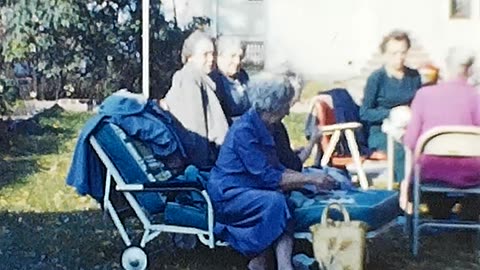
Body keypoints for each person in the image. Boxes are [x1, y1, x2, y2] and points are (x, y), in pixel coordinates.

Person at [207, 74, 337, 270]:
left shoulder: (273, 126)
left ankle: (271, 263)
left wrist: (310, 181)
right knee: (276, 201)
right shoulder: (245, 130)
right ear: (275, 105)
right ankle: (275, 263)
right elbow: (269, 176)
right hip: (230, 193)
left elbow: (286, 167)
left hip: (255, 188)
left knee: (284, 198)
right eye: (287, 103)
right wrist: (310, 179)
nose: (289, 110)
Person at [400, 47, 480, 217]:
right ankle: (469, 222)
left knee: (430, 168)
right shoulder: (476, 97)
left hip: (431, 171)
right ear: (470, 69)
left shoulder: (424, 95)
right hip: (472, 173)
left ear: (446, 68)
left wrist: (406, 182)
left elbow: (411, 142)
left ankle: (439, 216)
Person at [359, 30, 422, 182]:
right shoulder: (377, 78)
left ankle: (434, 193)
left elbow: (420, 106)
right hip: (381, 131)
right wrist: (390, 113)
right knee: (401, 153)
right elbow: (364, 113)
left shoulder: (414, 77)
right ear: (385, 54)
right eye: (394, 53)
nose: (399, 58)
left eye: (403, 53)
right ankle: (407, 194)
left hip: (408, 128)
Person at [163, 30, 229, 170]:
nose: (211, 59)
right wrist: (203, 169)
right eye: (205, 54)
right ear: (190, 57)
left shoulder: (205, 79)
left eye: (213, 54)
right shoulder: (189, 78)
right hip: (204, 166)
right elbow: (195, 128)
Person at [209, 36, 250, 124]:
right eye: (233, 56)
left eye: (240, 57)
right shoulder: (214, 81)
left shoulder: (243, 76)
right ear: (219, 57)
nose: (237, 61)